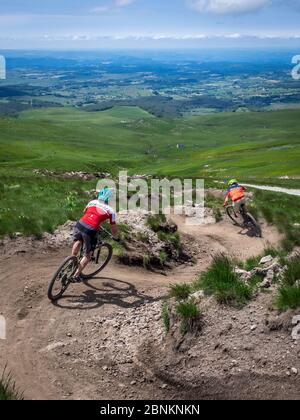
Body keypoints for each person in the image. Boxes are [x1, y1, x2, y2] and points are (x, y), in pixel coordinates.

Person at [71, 187, 119, 282]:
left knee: (78, 240)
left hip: (80, 223)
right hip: (91, 229)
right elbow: (113, 228)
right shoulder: (111, 210)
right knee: (88, 255)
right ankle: (76, 276)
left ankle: (71, 260)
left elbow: (85, 212)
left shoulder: (92, 201)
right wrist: (116, 237)